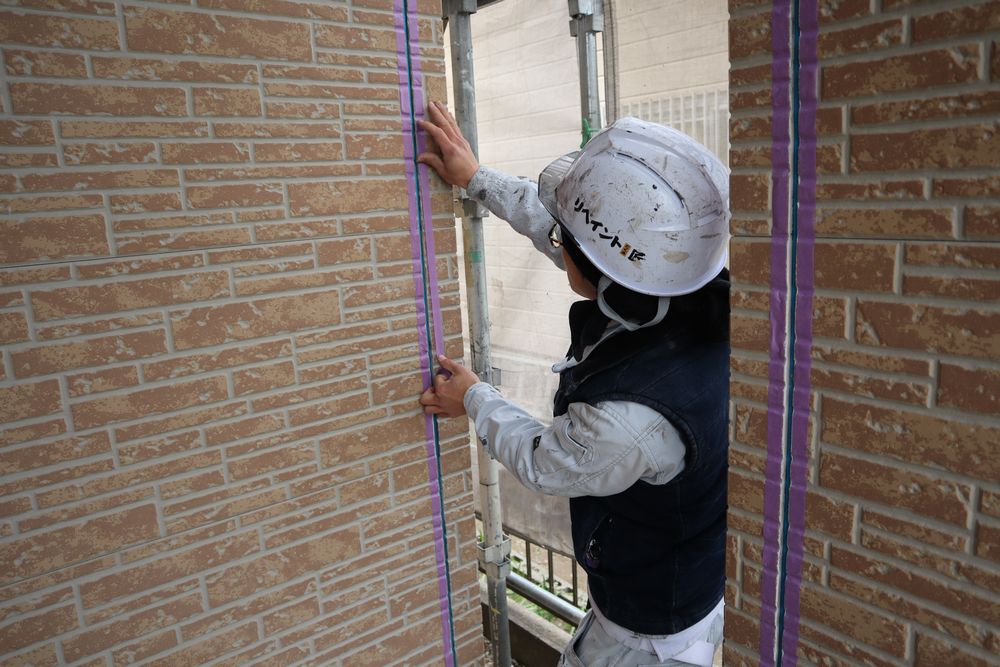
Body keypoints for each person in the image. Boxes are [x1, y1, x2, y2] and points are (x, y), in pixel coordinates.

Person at [417, 101, 730, 667]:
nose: (556, 241)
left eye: (566, 241)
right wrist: (477, 178)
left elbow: (547, 463)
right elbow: (572, 240)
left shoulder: (631, 418)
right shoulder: (685, 283)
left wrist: (473, 397)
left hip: (647, 638)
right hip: (685, 579)